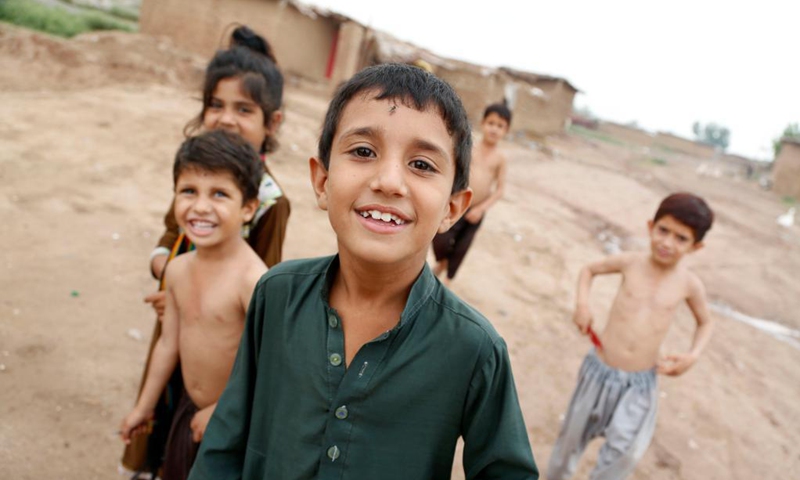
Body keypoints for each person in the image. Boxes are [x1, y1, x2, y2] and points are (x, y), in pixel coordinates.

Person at [188, 63, 538, 480]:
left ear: (452, 208)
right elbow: (226, 442)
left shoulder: (474, 349)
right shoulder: (276, 295)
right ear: (321, 181)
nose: (389, 181)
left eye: (422, 165)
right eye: (363, 152)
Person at [121, 26, 289, 476]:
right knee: (167, 433)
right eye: (216, 105)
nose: (227, 118)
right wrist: (169, 274)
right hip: (181, 315)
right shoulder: (196, 176)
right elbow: (170, 237)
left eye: (243, 109)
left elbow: (263, 334)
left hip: (225, 355)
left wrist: (225, 406)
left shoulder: (271, 203)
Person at [119, 130, 268, 480]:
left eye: (219, 193)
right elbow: (168, 343)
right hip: (189, 413)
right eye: (188, 191)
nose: (200, 206)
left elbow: (271, 366)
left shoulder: (254, 281)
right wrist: (144, 407)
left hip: (238, 422)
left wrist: (222, 410)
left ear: (248, 208)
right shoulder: (177, 270)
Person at [547, 193, 715, 480]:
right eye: (663, 231)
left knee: (623, 457)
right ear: (650, 226)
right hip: (598, 372)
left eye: (680, 238)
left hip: (639, 386)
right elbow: (589, 270)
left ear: (695, 247)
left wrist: (692, 356)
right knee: (569, 445)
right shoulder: (630, 262)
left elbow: (705, 322)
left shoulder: (688, 284)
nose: (667, 242)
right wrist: (582, 305)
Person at [432, 102, 509, 285]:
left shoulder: (500, 158)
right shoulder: (470, 148)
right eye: (491, 123)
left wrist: (481, 209)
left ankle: (448, 282)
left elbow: (499, 190)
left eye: (500, 126)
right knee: (440, 238)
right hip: (457, 204)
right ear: (482, 123)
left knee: (461, 248)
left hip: (476, 212)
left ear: (506, 130)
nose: (494, 129)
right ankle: (442, 261)